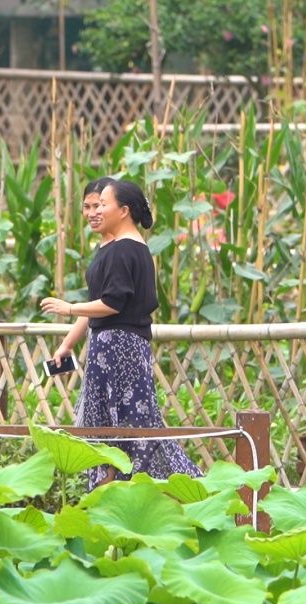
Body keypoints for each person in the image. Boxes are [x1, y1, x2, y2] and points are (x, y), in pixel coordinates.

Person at [41, 179, 203, 490]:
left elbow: (111, 304)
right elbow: (99, 306)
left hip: (118, 351)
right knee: (126, 427)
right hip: (120, 347)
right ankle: (140, 492)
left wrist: (69, 308)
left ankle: (120, 494)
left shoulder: (123, 251)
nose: (97, 210)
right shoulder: (128, 248)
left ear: (124, 210)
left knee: (117, 429)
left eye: (103, 204)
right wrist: (66, 344)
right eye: (92, 205)